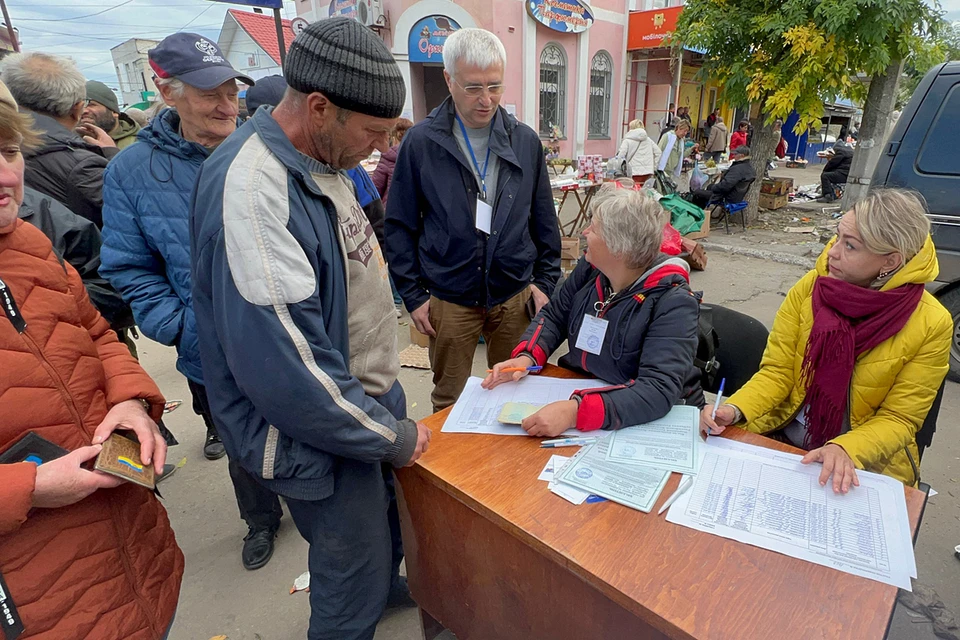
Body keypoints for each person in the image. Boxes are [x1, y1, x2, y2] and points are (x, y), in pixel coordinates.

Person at [190, 18, 431, 639]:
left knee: (386, 532)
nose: (380, 148)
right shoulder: (255, 189)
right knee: (348, 572)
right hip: (319, 428)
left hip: (362, 403)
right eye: (372, 133)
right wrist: (389, 434)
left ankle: (382, 587)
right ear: (319, 109)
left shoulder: (320, 156)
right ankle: (356, 610)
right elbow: (289, 369)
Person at [0, 85, 183, 640]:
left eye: (8, 152)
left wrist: (128, 401)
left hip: (134, 560)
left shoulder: (29, 243)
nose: (7, 177)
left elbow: (95, 333)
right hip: (38, 600)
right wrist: (28, 489)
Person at [99, 33, 286, 571]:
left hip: (284, 335)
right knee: (241, 444)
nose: (229, 106)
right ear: (168, 92)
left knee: (303, 432)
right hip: (210, 349)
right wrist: (185, 327)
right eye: (211, 95)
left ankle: (315, 514)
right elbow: (128, 269)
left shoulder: (266, 146)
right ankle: (260, 520)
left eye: (232, 91)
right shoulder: (131, 173)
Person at [701, 189, 951, 492]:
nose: (832, 252)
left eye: (850, 246)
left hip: (863, 462)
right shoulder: (811, 287)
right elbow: (778, 373)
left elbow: (899, 419)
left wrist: (846, 449)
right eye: (837, 236)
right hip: (784, 438)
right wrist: (735, 409)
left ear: (890, 261)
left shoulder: (931, 323)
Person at [385, 28, 561, 412]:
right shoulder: (421, 143)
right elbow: (398, 225)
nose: (487, 100)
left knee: (514, 392)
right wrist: (413, 296)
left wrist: (546, 281)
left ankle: (501, 472)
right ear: (449, 79)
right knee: (449, 400)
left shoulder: (525, 142)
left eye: (495, 87)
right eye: (473, 88)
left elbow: (544, 219)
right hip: (449, 298)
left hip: (514, 295)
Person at [483, 182, 704, 436]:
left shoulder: (673, 300)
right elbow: (555, 315)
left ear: (618, 248)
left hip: (643, 423)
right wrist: (527, 358)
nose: (585, 232)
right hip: (587, 393)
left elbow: (657, 389)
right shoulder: (592, 270)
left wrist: (575, 411)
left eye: (594, 229)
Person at [1, 52, 117, 227]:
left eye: (10, 152)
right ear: (77, 109)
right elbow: (140, 211)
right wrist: (113, 157)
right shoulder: (83, 166)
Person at [689, 145, 756, 209]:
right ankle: (704, 213)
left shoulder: (737, 169)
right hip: (737, 197)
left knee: (697, 193)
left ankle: (697, 215)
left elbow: (725, 186)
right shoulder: (750, 169)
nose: (734, 156)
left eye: (735, 154)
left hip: (727, 197)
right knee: (708, 188)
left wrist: (713, 187)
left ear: (742, 156)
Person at [82, 80, 141, 149]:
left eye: (91, 105)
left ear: (114, 112)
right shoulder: (72, 144)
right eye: (80, 106)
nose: (84, 111)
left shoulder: (139, 143)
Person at [372, 117, 413, 205]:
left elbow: (375, 190)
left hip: (391, 211)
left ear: (393, 136)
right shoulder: (420, 155)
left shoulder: (388, 157)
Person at [616, 119, 660, 185]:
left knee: (634, 192)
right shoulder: (648, 140)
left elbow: (620, 156)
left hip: (633, 172)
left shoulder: (627, 140)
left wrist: (619, 168)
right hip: (648, 172)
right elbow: (658, 152)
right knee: (644, 192)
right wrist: (654, 166)